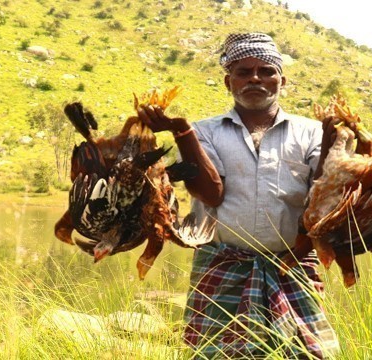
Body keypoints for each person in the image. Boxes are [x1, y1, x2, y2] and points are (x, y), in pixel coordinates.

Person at [138, 33, 339, 358]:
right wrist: (181, 131)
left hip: (294, 265)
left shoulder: (312, 132)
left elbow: (324, 198)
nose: (255, 78)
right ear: (228, 81)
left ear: (281, 80)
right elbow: (211, 193)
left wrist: (333, 143)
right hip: (223, 266)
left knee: (307, 354)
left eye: (265, 71)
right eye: (243, 72)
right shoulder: (203, 132)